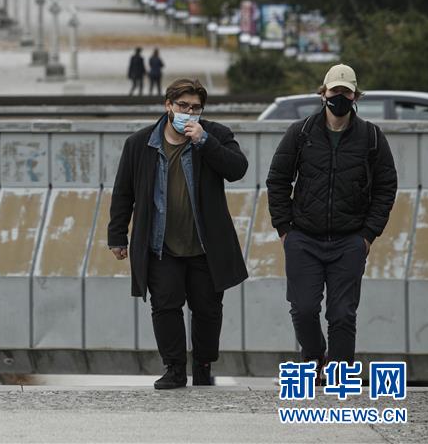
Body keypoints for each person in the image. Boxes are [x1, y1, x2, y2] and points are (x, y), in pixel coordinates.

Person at [108, 78, 249, 389]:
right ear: (168, 105)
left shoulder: (216, 135)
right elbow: (123, 192)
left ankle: (203, 365)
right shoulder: (140, 143)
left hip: (205, 245)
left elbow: (238, 169)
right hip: (161, 245)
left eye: (196, 108)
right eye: (183, 106)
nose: (189, 112)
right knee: (165, 305)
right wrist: (117, 234)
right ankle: (173, 368)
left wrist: (205, 141)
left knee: (208, 309)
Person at [266, 64, 397, 382]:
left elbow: (386, 186)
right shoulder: (300, 132)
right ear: (323, 93)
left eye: (346, 92)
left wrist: (367, 235)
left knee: (342, 314)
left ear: (355, 96)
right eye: (334, 91)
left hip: (349, 241)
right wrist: (285, 229)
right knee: (304, 309)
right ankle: (313, 360)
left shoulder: (371, 137)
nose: (339, 97)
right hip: (303, 239)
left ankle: (339, 373)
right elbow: (278, 180)